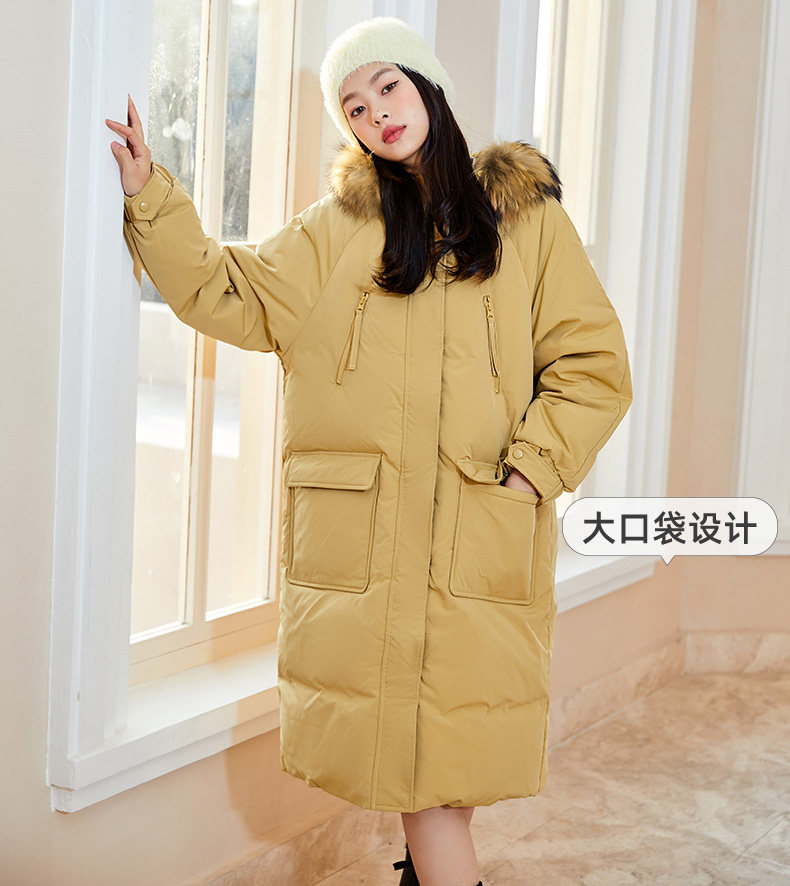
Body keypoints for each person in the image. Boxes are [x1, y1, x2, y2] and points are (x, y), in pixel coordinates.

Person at [106, 16, 632, 886]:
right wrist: (149, 193)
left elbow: (593, 366)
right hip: (370, 548)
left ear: (426, 88)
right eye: (354, 105)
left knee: (445, 779)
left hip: (480, 533)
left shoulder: (527, 221)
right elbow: (226, 289)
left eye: (388, 86)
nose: (377, 112)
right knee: (429, 786)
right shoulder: (336, 229)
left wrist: (530, 471)